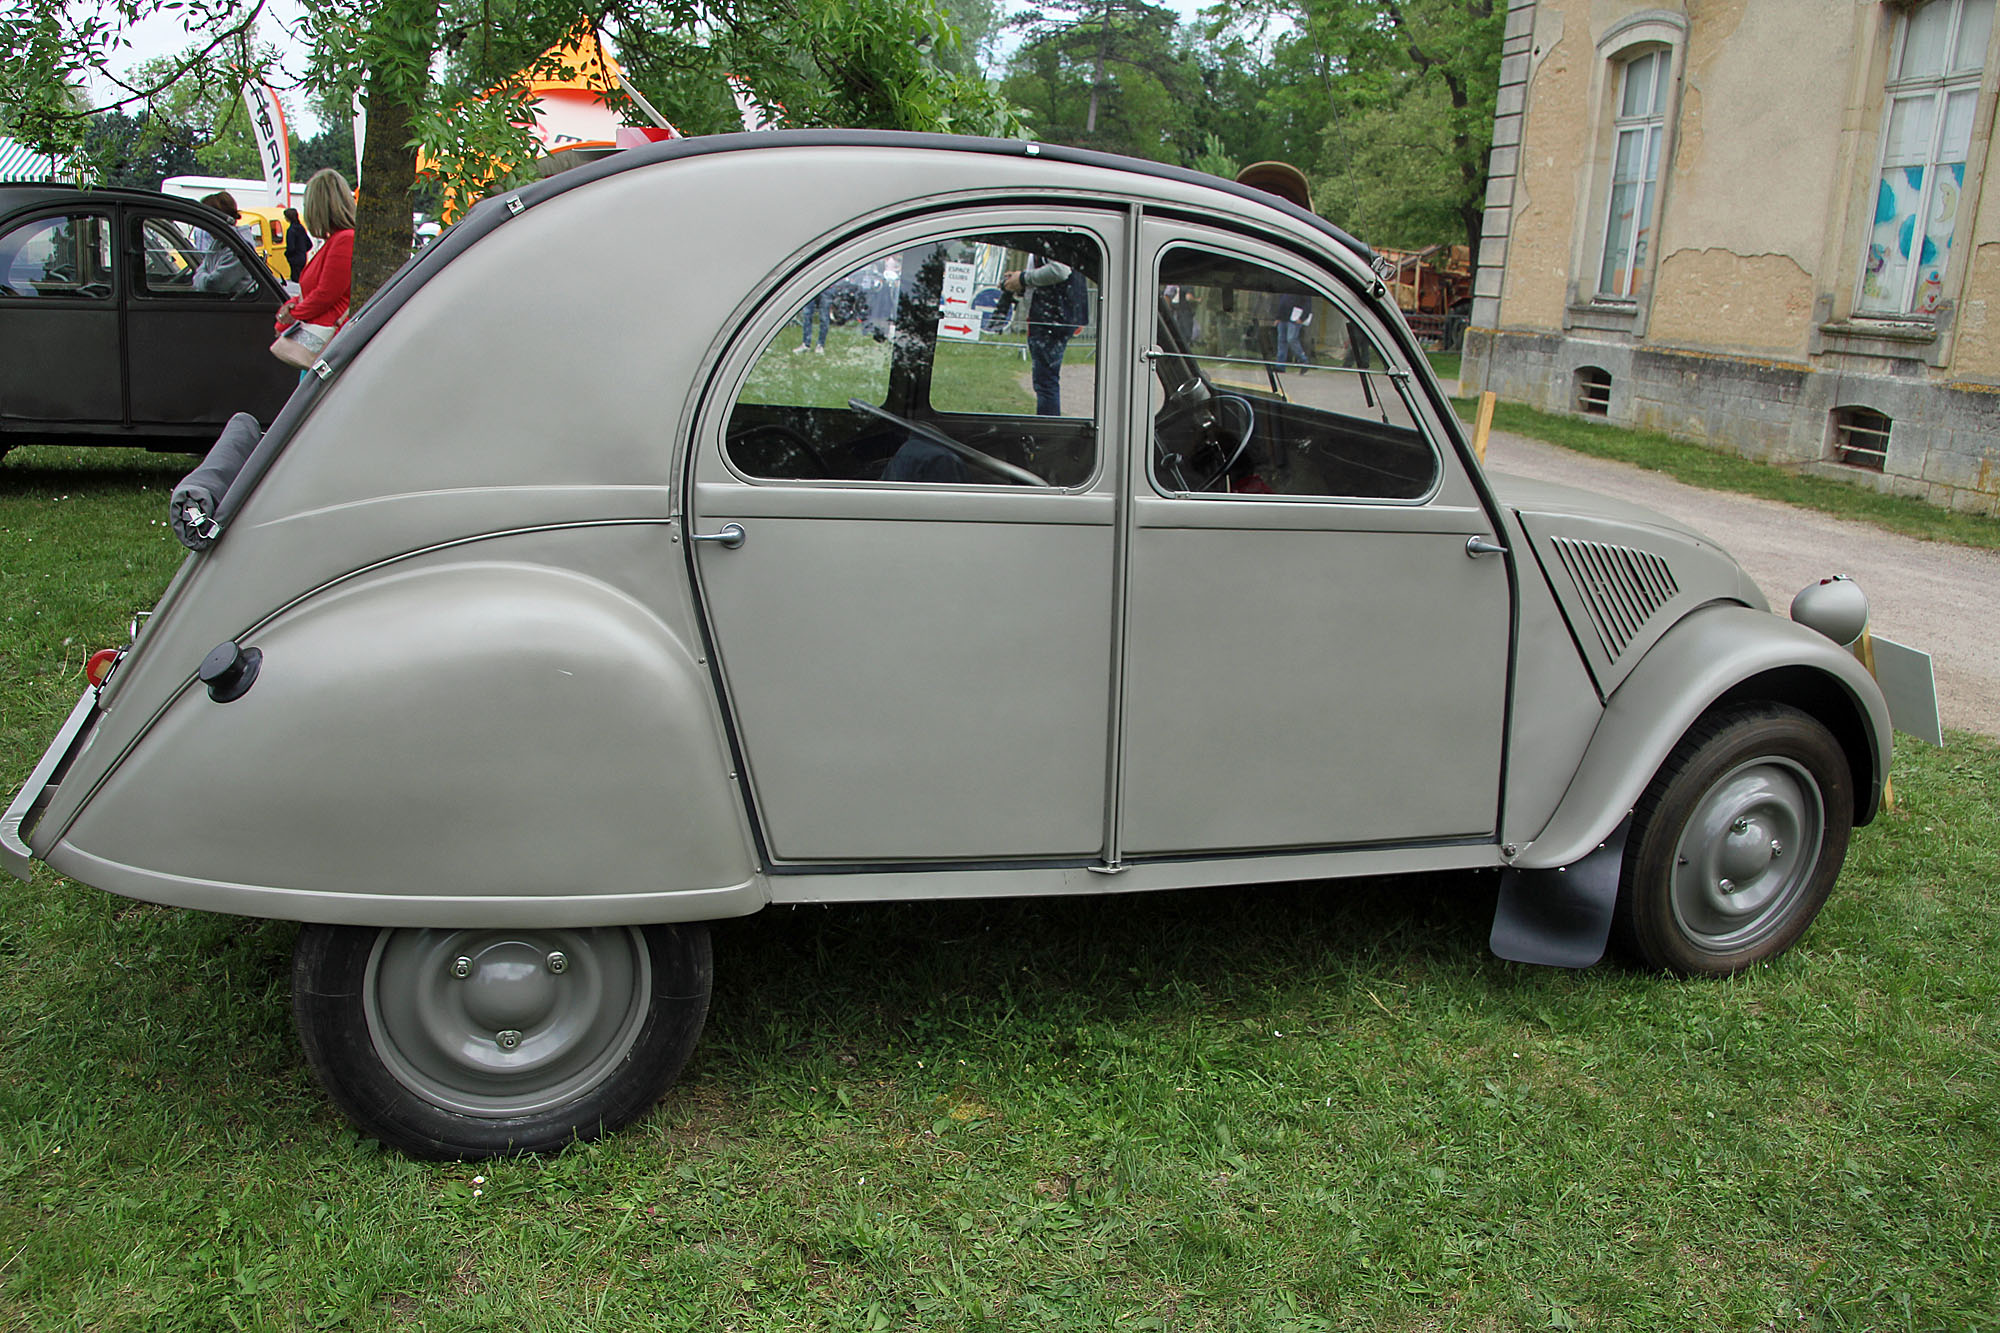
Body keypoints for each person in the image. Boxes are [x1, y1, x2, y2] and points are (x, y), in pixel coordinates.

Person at [274, 170, 355, 365]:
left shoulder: (344, 240)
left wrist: (291, 316)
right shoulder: (338, 239)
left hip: (326, 345)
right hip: (324, 343)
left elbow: (326, 294)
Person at [1001, 256, 1087, 416]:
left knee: (1046, 383)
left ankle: (1049, 435)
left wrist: (1023, 278)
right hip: (1053, 318)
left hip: (1051, 320)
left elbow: (1060, 271)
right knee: (1046, 382)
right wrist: (1020, 282)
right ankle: (1049, 431)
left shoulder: (1051, 238)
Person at [193, 191, 256, 295]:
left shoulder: (237, 246)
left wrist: (200, 277)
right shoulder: (219, 242)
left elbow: (213, 285)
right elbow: (203, 269)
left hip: (234, 306)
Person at [283, 205, 310, 291]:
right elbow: (309, 244)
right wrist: (303, 251)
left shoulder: (291, 230)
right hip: (302, 257)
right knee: (302, 279)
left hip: (294, 259)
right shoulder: (301, 228)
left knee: (295, 280)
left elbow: (291, 247)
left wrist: (287, 254)